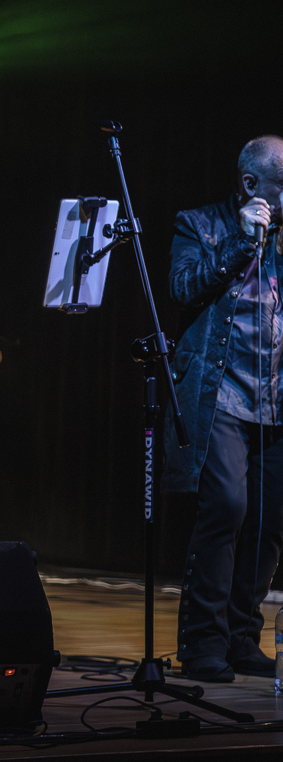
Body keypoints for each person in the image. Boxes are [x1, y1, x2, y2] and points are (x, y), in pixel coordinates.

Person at [165, 134, 283, 682]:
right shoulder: (200, 224)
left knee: (268, 519)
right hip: (221, 396)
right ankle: (202, 642)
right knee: (228, 508)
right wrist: (240, 240)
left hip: (274, 399)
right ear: (252, 184)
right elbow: (182, 288)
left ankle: (241, 638)